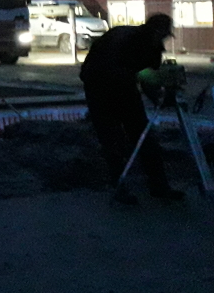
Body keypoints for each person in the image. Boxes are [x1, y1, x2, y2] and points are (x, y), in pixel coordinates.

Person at [79, 13, 184, 204]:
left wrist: (159, 97)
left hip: (125, 87)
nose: (164, 40)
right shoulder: (123, 38)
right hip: (99, 87)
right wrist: (140, 78)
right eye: (163, 35)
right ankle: (119, 187)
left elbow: (147, 78)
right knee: (112, 139)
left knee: (143, 134)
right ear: (155, 31)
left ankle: (159, 186)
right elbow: (110, 70)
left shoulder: (152, 47)